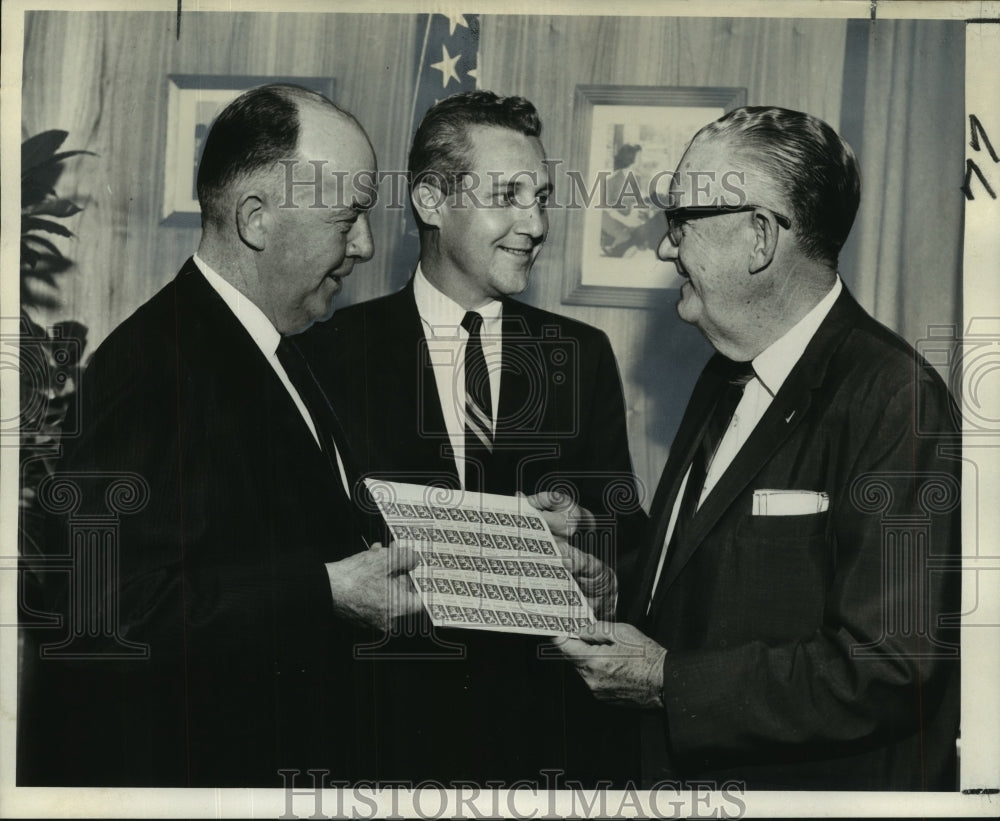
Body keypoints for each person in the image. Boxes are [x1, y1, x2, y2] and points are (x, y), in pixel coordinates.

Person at [17, 84, 422, 787]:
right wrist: (320, 590)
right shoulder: (152, 369)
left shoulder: (274, 345)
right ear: (257, 219)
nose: (366, 246)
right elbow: (99, 611)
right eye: (347, 218)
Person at [557, 106, 961, 791]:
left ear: (759, 236)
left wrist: (666, 681)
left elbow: (890, 665)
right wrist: (615, 584)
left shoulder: (895, 397)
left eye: (680, 221)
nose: (664, 248)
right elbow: (717, 578)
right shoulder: (725, 370)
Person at [304, 90, 644, 786]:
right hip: (379, 742)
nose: (536, 221)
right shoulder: (324, 354)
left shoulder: (579, 354)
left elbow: (624, 532)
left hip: (547, 745)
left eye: (543, 196)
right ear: (431, 201)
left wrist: (595, 551)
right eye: (509, 194)